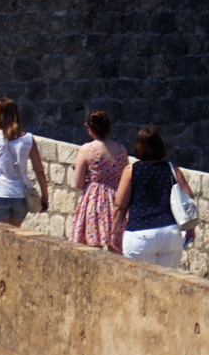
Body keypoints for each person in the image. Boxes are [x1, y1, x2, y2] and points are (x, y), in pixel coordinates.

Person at [116, 126, 195, 268]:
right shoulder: (171, 168)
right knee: (167, 284)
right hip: (170, 233)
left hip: (140, 233)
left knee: (138, 284)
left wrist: (115, 231)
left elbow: (120, 205)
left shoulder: (132, 170)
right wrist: (190, 228)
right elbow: (189, 197)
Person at [0, 97, 49, 229]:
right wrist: (45, 196)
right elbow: (39, 171)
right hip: (20, 196)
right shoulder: (28, 139)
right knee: (14, 235)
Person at [70, 110, 128, 253]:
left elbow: (78, 183)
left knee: (91, 245)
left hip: (94, 200)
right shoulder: (121, 150)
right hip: (117, 198)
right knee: (116, 248)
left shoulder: (87, 150)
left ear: (90, 128)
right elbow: (126, 177)